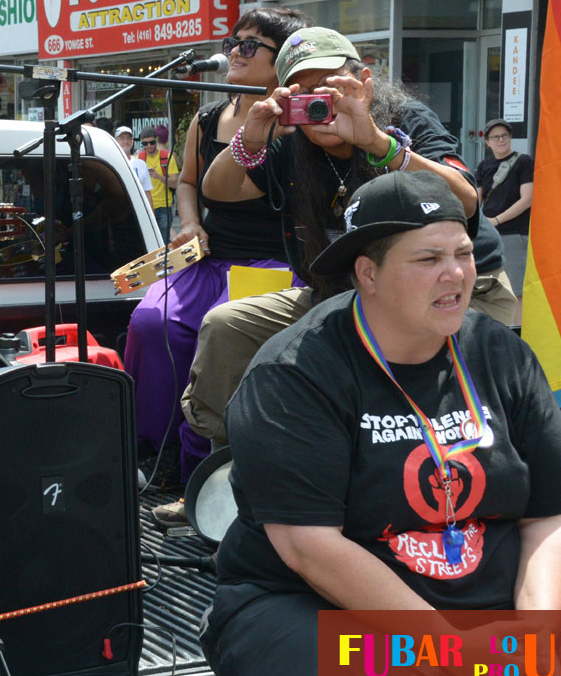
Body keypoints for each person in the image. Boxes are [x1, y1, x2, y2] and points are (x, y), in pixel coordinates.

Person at [201, 170, 561, 676]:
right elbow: (309, 546)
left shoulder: (501, 354)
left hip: (490, 609)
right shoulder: (294, 372)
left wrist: (535, 637)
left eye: (462, 253)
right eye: (428, 259)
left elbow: (554, 514)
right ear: (368, 273)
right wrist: (458, 655)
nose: (455, 274)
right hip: (316, 606)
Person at [184, 26, 515, 446]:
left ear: (364, 84)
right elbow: (219, 191)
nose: (318, 102)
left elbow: (465, 199)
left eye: (328, 86)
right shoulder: (292, 144)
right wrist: (249, 139)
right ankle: (232, 467)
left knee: (388, 360)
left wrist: (378, 143)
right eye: (300, 92)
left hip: (456, 288)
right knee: (226, 326)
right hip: (345, 292)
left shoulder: (404, 119)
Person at [125, 7, 312, 508]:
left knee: (224, 333)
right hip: (208, 260)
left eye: (250, 45)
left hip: (272, 265)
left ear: (283, 60)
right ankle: (158, 452)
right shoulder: (207, 118)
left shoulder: (298, 124)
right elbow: (188, 182)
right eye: (234, 41)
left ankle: (214, 471)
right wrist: (190, 225)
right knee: (150, 323)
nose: (234, 51)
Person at [476, 119, 532, 324]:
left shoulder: (523, 162)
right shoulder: (484, 165)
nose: (501, 140)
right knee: (490, 288)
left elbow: (527, 199)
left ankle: (517, 334)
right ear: (487, 142)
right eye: (495, 137)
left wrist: (496, 221)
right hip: (490, 235)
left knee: (516, 290)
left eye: (504, 136)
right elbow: (476, 198)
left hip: (514, 233)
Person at [135, 126, 175, 237]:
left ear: (156, 140)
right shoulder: (138, 159)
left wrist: (159, 177)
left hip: (163, 207)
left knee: (163, 242)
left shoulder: (166, 157)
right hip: (146, 206)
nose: (149, 146)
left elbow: (175, 182)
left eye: (152, 142)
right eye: (145, 143)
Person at [117, 125, 152, 192]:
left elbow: (147, 192)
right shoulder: (110, 163)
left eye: (129, 138)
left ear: (132, 141)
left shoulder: (141, 164)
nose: (126, 142)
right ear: (116, 141)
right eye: (122, 138)